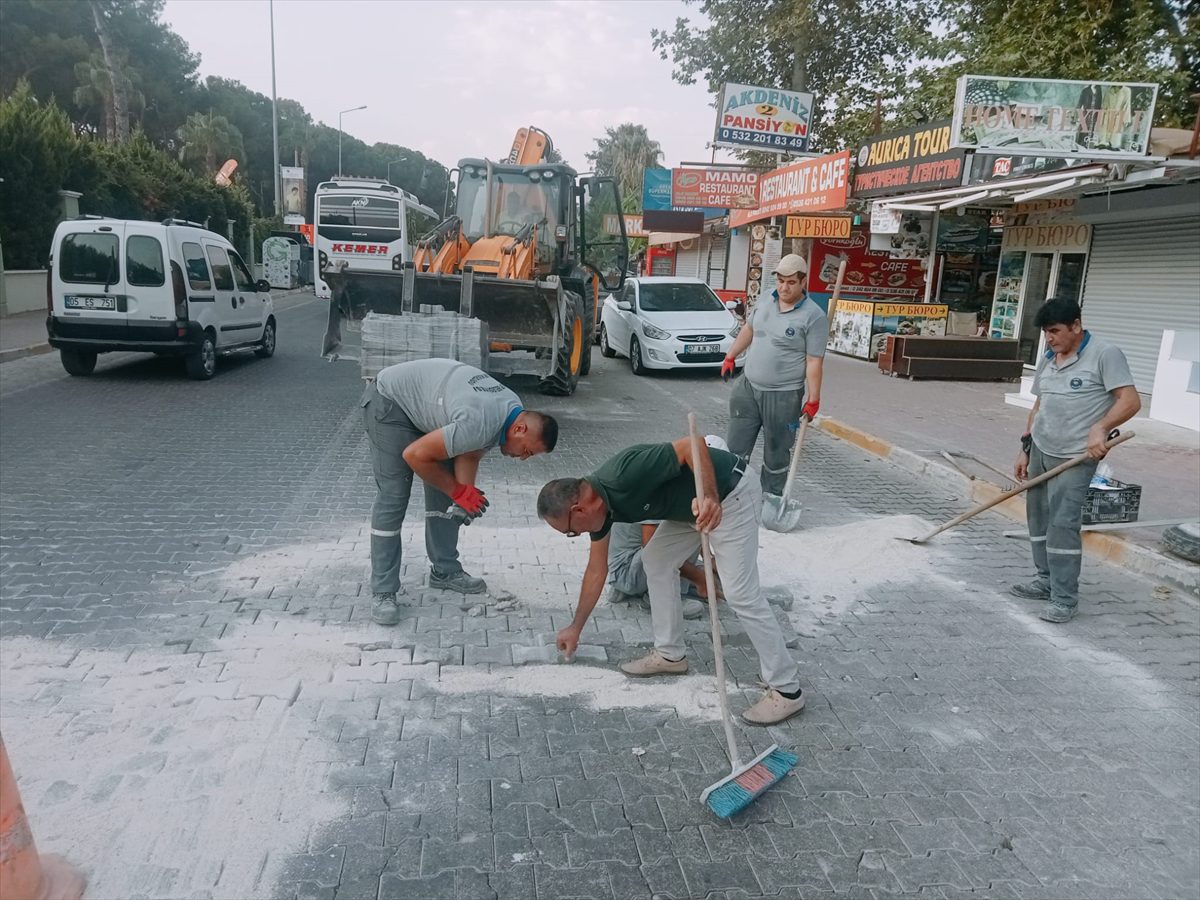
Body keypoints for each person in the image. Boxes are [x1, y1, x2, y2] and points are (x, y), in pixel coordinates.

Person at [536, 434, 805, 726]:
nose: (575, 535)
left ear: (578, 510)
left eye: (570, 532)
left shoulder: (623, 473)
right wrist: (576, 627)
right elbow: (596, 570)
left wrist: (710, 497)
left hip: (730, 494)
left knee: (741, 593)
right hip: (688, 510)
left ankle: (787, 690)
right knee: (656, 560)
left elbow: (694, 444)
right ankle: (670, 655)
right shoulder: (599, 511)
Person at [362, 358, 559, 625]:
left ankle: (444, 572)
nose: (522, 458)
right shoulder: (481, 419)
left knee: (445, 490)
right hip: (391, 403)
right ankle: (383, 592)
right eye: (527, 450)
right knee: (394, 495)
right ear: (520, 429)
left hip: (429, 407)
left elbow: (470, 451)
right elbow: (415, 456)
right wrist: (458, 491)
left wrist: (464, 495)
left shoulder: (510, 408)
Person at [1011, 298, 1140, 623]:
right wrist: (1026, 447)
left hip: (1075, 456)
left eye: (1054, 331)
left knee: (1062, 525)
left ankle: (1065, 598)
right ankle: (1045, 580)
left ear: (1076, 326)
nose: (1049, 339)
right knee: (1038, 519)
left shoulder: (1105, 354)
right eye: (1045, 333)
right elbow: (1040, 406)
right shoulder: (1049, 357)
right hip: (1041, 449)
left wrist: (1101, 427)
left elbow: (1131, 400)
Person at [720, 253, 827, 498]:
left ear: (803, 283)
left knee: (776, 453)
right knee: (735, 449)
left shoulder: (814, 317)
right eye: (780, 280)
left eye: (790, 282)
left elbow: (813, 361)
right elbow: (749, 329)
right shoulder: (766, 298)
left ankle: (770, 499)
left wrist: (814, 398)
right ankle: (731, 498)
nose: (783, 287)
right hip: (747, 387)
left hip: (783, 396)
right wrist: (731, 355)